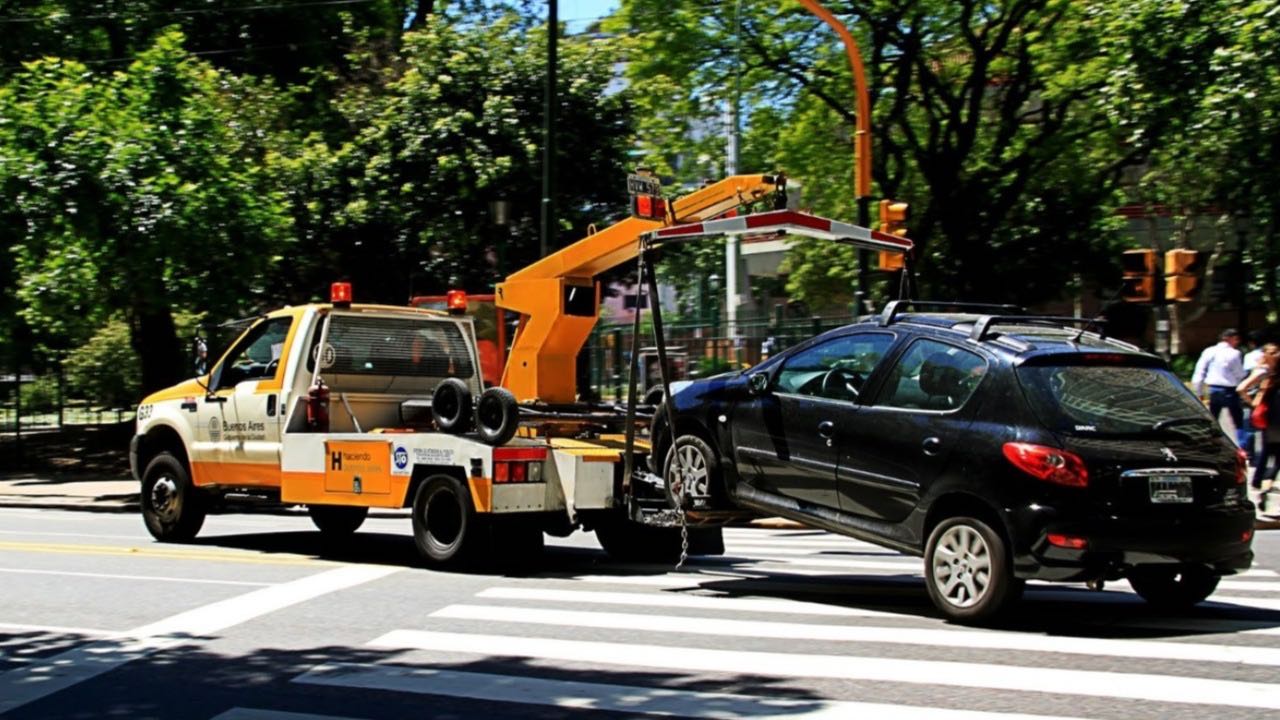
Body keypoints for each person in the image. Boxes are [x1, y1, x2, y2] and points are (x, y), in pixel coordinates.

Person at [1192, 328, 1247, 448]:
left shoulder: (1209, 351)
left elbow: (1199, 372)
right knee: (1238, 421)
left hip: (1214, 389)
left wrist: (1199, 392)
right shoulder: (1234, 353)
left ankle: (1210, 444)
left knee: (1213, 420)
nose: (1237, 342)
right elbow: (1239, 373)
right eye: (1235, 339)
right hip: (1230, 390)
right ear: (1228, 338)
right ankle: (1244, 448)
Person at [1238, 343, 1280, 497]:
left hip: (1270, 414)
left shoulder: (1268, 371)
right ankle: (1265, 482)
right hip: (1271, 414)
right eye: (1273, 352)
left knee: (1268, 449)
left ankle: (1259, 481)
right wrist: (1254, 403)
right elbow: (1241, 388)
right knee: (1269, 449)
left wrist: (1254, 403)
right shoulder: (1264, 371)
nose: (1276, 354)